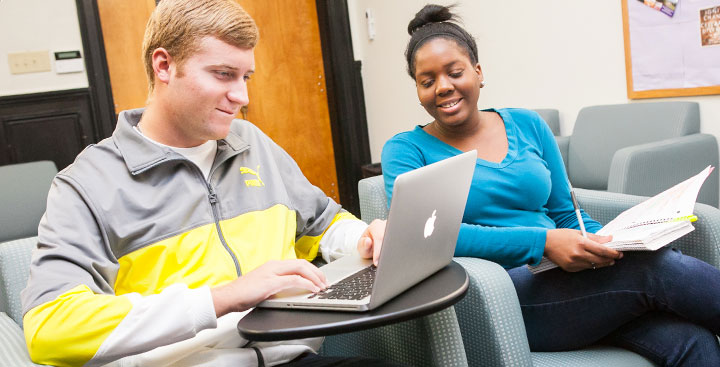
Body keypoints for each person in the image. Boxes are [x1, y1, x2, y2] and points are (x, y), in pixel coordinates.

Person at [20, 1, 396, 366]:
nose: (242, 97)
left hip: (291, 357)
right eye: (223, 74)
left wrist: (364, 238)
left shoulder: (252, 142)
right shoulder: (87, 183)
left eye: (245, 77)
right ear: (164, 65)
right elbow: (51, 326)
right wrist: (220, 299)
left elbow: (322, 224)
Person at [381, 4, 720, 366]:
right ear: (417, 89)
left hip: (568, 282)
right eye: (427, 81)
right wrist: (543, 242)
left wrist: (606, 242)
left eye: (454, 72)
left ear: (478, 73)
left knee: (692, 341)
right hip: (499, 295)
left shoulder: (527, 124)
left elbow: (565, 211)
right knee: (657, 271)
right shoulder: (405, 151)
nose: (443, 87)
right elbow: (427, 240)